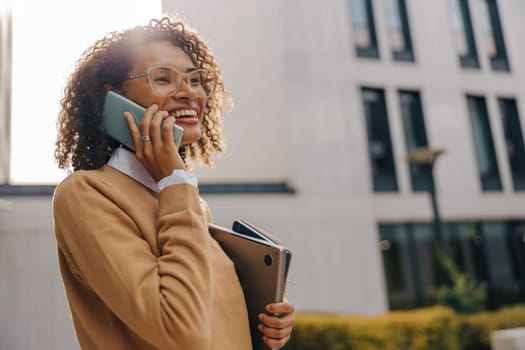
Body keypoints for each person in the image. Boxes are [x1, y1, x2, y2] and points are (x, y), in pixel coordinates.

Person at [53, 16, 294, 350]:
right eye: (163, 78)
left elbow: (207, 324)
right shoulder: (86, 194)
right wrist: (174, 180)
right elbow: (181, 333)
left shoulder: (186, 203)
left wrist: (262, 325)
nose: (190, 93)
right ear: (112, 98)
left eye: (196, 80)